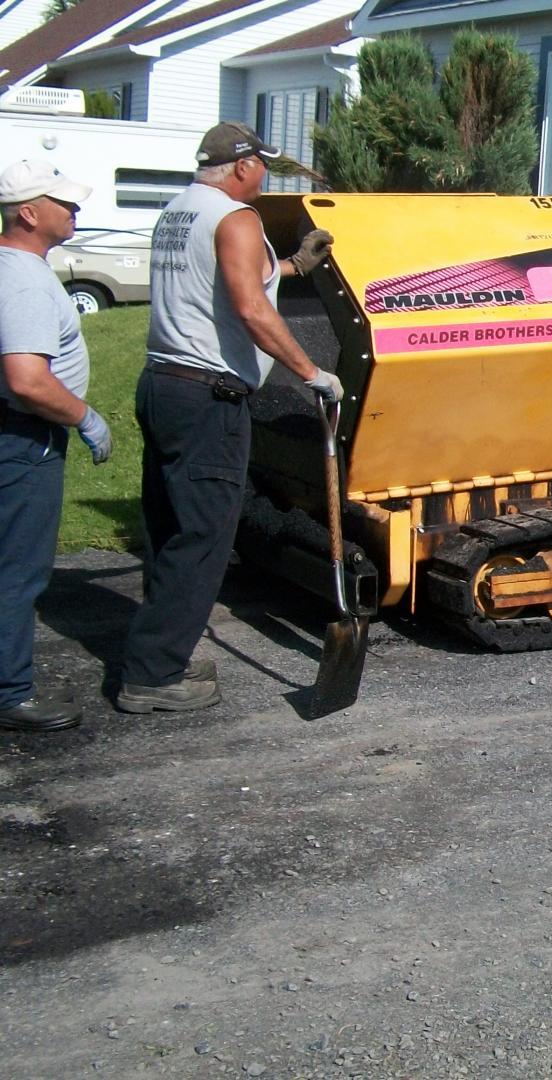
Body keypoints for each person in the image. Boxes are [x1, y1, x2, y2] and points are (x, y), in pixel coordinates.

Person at [116, 122, 340, 714]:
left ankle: (160, 651)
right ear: (242, 166)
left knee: (169, 526)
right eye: (261, 165)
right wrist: (310, 372)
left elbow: (217, 284)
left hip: (162, 385)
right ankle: (154, 676)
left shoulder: (179, 210)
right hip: (207, 398)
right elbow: (248, 307)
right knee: (203, 536)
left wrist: (291, 265)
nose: (264, 176)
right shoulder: (237, 219)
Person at [0, 160, 113, 733]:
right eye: (63, 204)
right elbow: (26, 378)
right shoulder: (20, 278)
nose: (74, 211)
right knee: (18, 569)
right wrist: (84, 415)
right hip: (22, 438)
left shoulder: (14, 268)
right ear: (28, 212)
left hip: (16, 434)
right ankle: (9, 692)